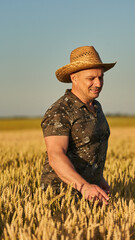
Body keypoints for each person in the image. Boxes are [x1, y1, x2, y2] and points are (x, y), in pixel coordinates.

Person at [40, 46, 116, 205]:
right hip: (62, 196)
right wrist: (84, 187)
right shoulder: (60, 112)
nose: (98, 83)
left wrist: (98, 178)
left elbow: (88, 146)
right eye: (91, 78)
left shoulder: (96, 107)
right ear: (74, 78)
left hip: (91, 192)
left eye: (101, 77)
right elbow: (55, 155)